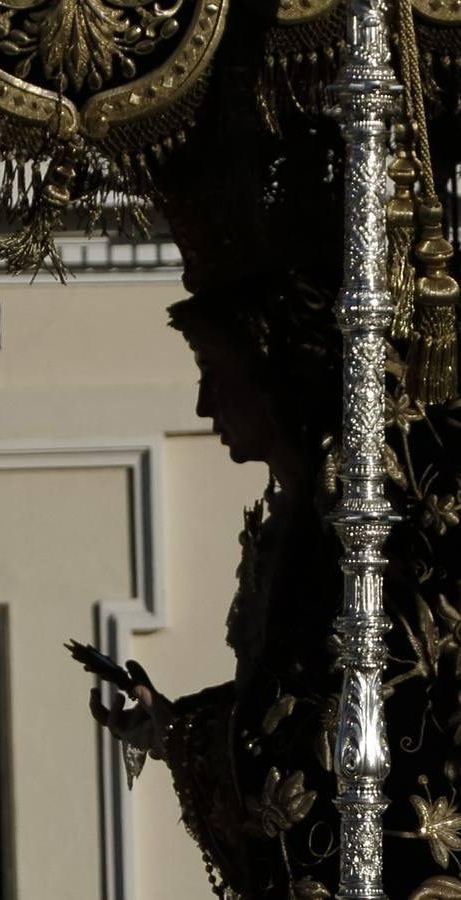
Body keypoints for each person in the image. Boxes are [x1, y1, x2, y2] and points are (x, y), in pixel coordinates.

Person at [86, 270, 461, 898]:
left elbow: (332, 727)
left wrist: (191, 737)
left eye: (214, 372)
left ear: (271, 378)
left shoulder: (359, 537)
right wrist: (174, 728)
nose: (205, 405)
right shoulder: (297, 527)